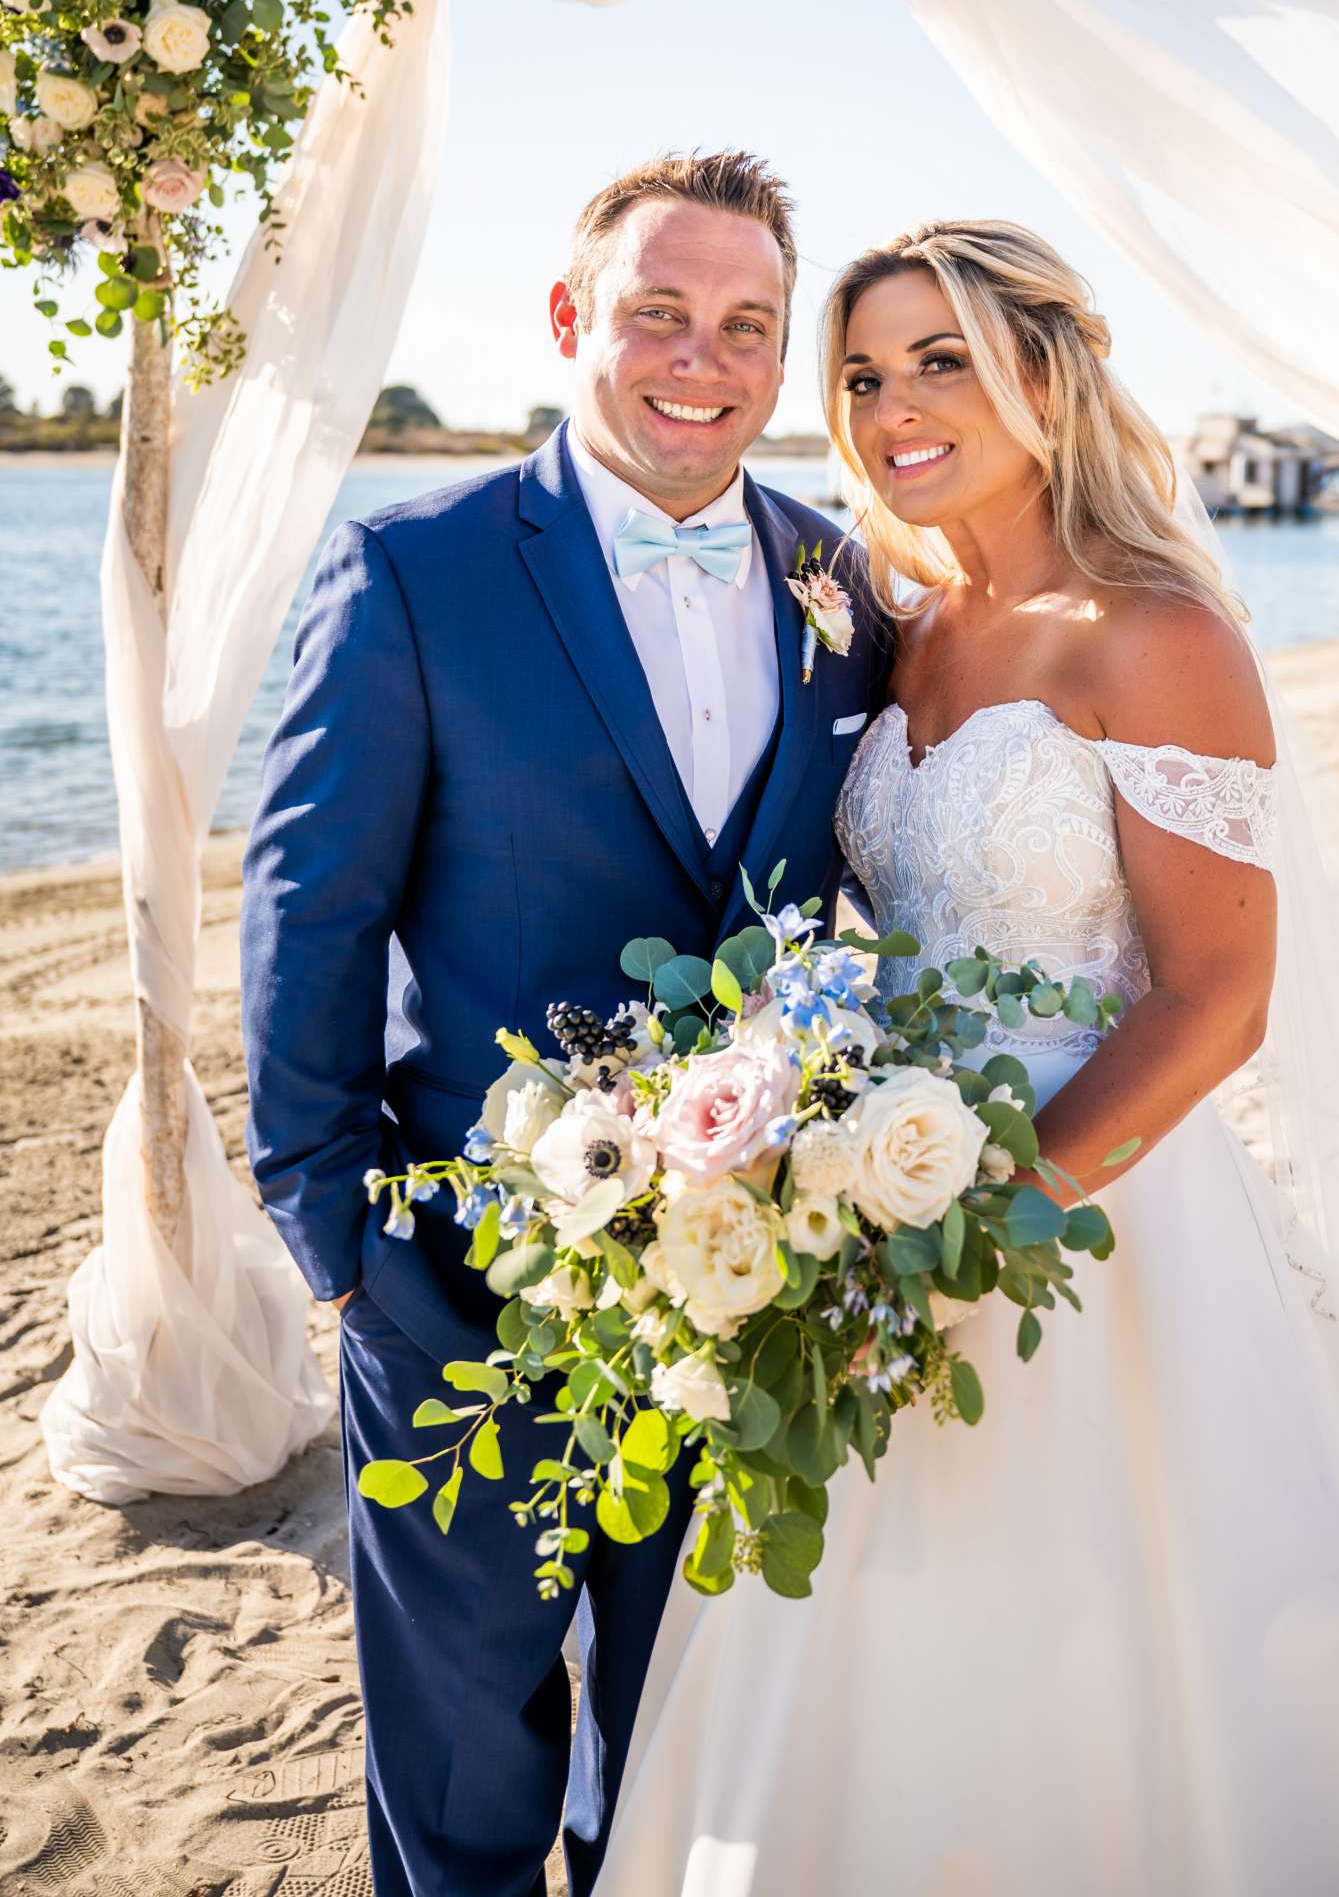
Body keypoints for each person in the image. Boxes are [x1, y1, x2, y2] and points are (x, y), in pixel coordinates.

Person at [595, 220, 1339, 1897]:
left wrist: (989, 1229)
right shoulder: (894, 625)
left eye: (943, 362)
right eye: (860, 375)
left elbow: (1216, 999)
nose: (895, 406)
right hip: (863, 1213)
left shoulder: (1155, 637)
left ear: (1044, 379)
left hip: (1089, 1217)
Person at [240, 153, 885, 1897]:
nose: (704, 356)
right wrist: (338, 1240)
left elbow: (845, 894)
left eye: (746, 324)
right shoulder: (413, 570)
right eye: (660, 312)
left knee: (679, 1731)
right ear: (567, 322)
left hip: (753, 1284)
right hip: (459, 1271)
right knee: (464, 1748)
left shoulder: (843, 583)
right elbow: (311, 910)